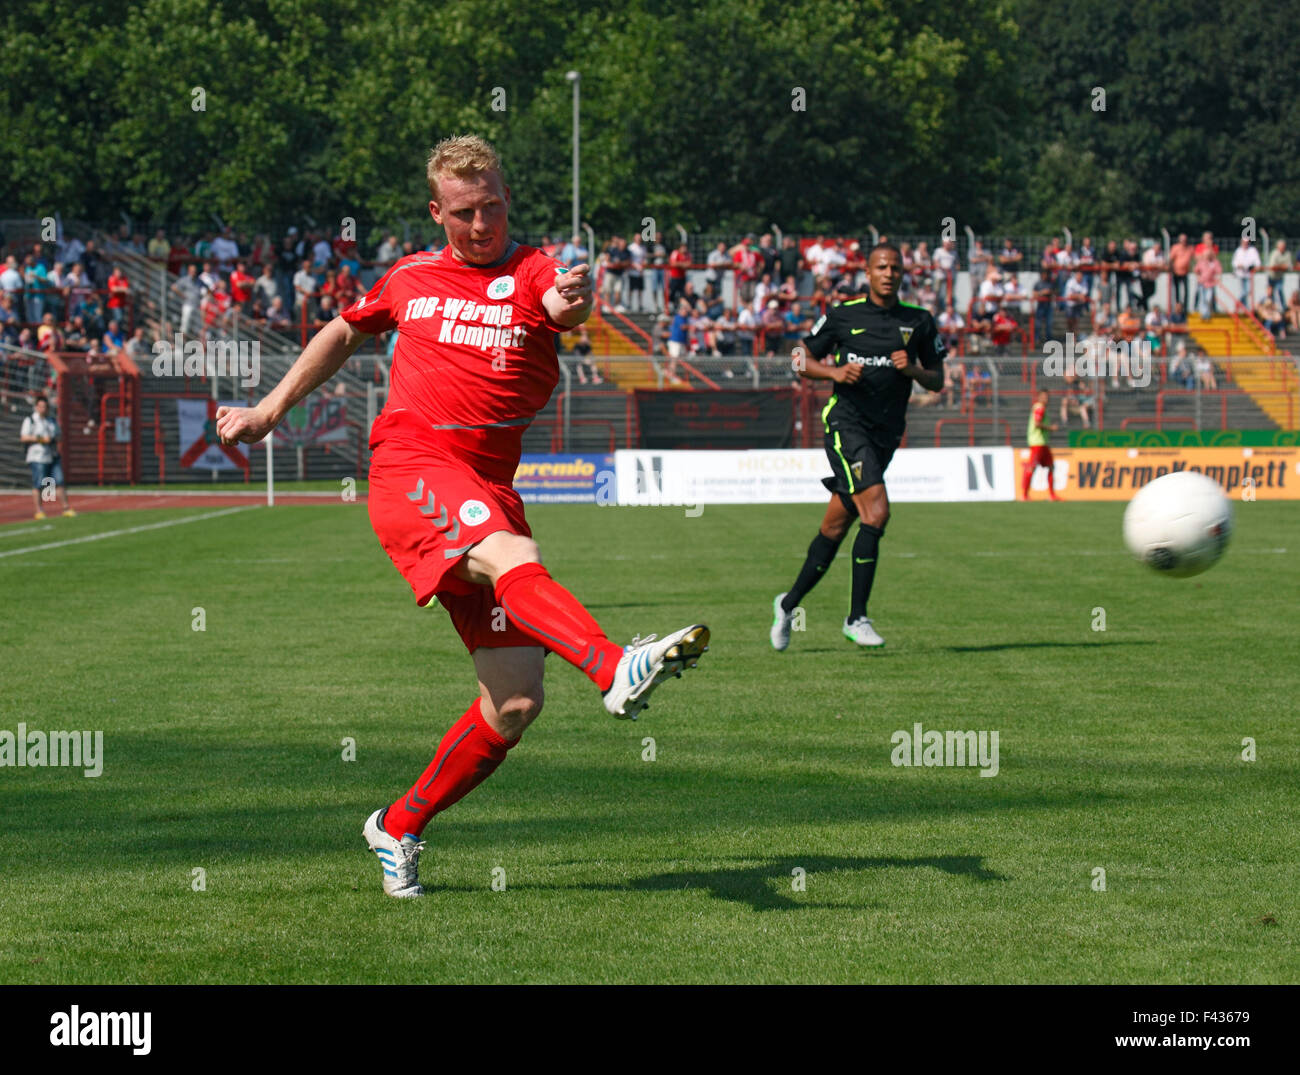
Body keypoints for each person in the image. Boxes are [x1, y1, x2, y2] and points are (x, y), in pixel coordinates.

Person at [215, 135, 708, 899]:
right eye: (467, 212)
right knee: (507, 553)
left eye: (495, 206)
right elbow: (346, 330)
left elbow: (560, 302)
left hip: (487, 485)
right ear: (438, 212)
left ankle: (399, 824)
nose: (484, 224)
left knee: (513, 701)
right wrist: (269, 409)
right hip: (413, 466)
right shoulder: (410, 276)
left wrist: (572, 304)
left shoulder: (535, 270)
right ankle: (615, 667)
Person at [770, 243, 944, 652]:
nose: (889, 273)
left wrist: (914, 369)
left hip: (886, 435)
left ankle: (788, 604)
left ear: (903, 274)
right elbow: (799, 358)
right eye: (881, 267)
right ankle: (856, 617)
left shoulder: (918, 322)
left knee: (835, 526)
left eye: (896, 268)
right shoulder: (844, 314)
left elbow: (937, 379)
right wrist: (833, 370)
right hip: (845, 424)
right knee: (878, 511)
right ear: (868, 272)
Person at [21, 395, 75, 519]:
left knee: (59, 481)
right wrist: (41, 439)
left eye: (45, 406)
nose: (43, 409)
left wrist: (53, 440)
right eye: (41, 406)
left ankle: (66, 508)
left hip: (52, 455)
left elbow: (59, 436)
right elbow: (24, 437)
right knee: (39, 483)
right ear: (36, 407)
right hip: (37, 456)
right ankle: (39, 510)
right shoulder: (30, 420)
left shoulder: (51, 421)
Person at [1021, 390, 1060, 501]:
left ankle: (1052, 495)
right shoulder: (1039, 408)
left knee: (1051, 467)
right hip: (1037, 443)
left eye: (1047, 397)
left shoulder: (1040, 408)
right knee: (1031, 467)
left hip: (1043, 443)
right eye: (1043, 397)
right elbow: (1037, 424)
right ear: (1039, 397)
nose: (1046, 399)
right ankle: (1024, 495)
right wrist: (1051, 428)